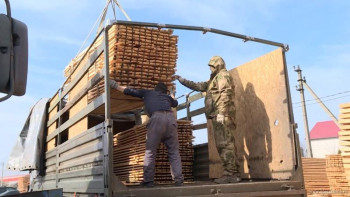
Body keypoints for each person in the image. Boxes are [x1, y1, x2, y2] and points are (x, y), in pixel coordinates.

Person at [174, 56, 240, 184]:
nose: (210, 68)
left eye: (212, 66)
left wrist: (221, 112)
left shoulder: (222, 76)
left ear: (218, 65)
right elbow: (198, 86)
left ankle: (231, 174)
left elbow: (225, 93)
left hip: (222, 115)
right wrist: (182, 80)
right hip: (218, 115)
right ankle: (232, 173)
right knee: (223, 145)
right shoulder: (213, 79)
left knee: (225, 144)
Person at [110, 80, 184, 187]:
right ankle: (178, 180)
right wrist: (172, 93)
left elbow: (129, 91)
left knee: (150, 151)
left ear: (155, 89)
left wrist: (115, 85)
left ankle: (148, 181)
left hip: (157, 119)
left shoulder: (148, 93)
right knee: (174, 152)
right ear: (165, 92)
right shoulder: (167, 98)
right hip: (171, 119)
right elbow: (175, 103)